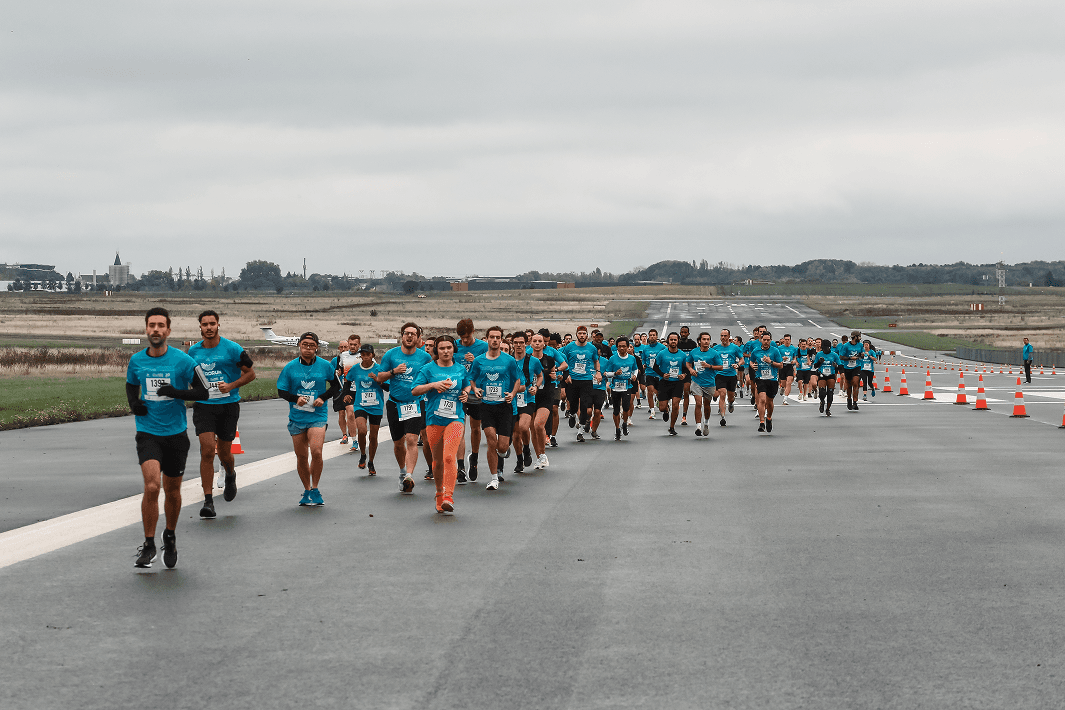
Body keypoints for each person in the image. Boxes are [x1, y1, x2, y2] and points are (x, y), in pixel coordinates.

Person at [126, 307, 209, 570]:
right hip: (148, 432)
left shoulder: (183, 361)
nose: (156, 330)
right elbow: (131, 384)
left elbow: (203, 391)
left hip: (175, 434)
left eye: (161, 325)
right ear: (146, 329)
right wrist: (133, 403)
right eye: (152, 325)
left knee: (172, 490)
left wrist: (176, 392)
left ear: (168, 331)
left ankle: (169, 535)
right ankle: (149, 543)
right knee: (152, 486)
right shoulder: (137, 360)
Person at [187, 310, 256, 519]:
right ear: (199, 327)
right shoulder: (193, 352)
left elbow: (251, 373)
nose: (208, 328)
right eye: (205, 324)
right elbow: (189, 376)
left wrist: (231, 385)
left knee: (225, 453)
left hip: (228, 405)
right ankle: (208, 501)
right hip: (204, 406)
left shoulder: (232, 349)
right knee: (207, 450)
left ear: (218, 325)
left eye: (212, 324)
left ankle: (230, 474)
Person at [276, 332, 340, 506]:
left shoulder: (325, 366)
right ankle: (306, 489)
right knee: (302, 456)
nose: (308, 348)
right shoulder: (290, 367)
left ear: (317, 347)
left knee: (317, 451)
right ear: (299, 346)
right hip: (297, 416)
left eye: (311, 345)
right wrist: (295, 398)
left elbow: (337, 386)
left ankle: (316, 488)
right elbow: (281, 391)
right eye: (305, 345)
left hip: (317, 416)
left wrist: (323, 397)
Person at [412, 336, 471, 514]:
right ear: (436, 350)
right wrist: (432, 385)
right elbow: (415, 390)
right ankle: (439, 493)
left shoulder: (460, 369)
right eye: (442, 348)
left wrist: (466, 394)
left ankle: (448, 496)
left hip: (455, 418)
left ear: (454, 349)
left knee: (448, 457)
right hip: (434, 419)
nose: (446, 351)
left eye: (449, 348)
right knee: (437, 462)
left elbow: (466, 385)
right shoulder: (428, 369)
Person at [378, 323, 433, 494]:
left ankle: (409, 475)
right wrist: (393, 372)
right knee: (398, 443)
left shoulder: (424, 358)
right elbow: (379, 377)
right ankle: (402, 470)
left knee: (411, 440)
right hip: (395, 403)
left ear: (418, 338)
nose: (409, 337)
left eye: (413, 334)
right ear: (402, 336)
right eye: (406, 333)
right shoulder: (391, 354)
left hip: (415, 403)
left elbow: (432, 375)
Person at [469, 326, 522, 490]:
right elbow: (471, 378)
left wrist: (512, 394)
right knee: (491, 440)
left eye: (498, 337)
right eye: (491, 337)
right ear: (487, 339)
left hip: (504, 406)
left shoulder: (509, 360)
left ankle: (503, 451)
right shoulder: (479, 360)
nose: (494, 340)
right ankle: (493, 478)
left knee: (502, 447)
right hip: (486, 406)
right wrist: (476, 389)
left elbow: (517, 380)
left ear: (501, 339)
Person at [454, 318, 489, 483]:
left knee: (475, 429)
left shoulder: (483, 347)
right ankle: (460, 467)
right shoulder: (454, 345)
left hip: (476, 393)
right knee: (459, 429)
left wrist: (475, 360)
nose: (464, 341)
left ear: (473, 332)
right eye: (462, 337)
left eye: (467, 337)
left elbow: (489, 369)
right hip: (459, 392)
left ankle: (473, 457)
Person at [342, 344, 383, 474]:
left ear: (372, 355)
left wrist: (377, 379)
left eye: (368, 354)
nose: (365, 357)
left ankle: (371, 462)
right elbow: (347, 382)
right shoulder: (355, 369)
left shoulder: (379, 369)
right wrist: (346, 394)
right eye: (363, 354)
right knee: (362, 431)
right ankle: (363, 455)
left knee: (374, 436)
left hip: (376, 405)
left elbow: (387, 387)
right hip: (360, 404)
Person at [511, 332, 543, 471]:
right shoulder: (508, 360)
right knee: (515, 433)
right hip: (511, 400)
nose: (518, 345)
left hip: (527, 399)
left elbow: (540, 376)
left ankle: (526, 449)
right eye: (516, 343)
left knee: (524, 427)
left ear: (526, 344)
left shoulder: (533, 361)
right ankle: (519, 459)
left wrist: (536, 387)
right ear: (512, 344)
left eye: (521, 343)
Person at [530, 330, 559, 468]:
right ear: (530, 343)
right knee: (532, 429)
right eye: (534, 341)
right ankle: (538, 456)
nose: (537, 343)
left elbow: (554, 374)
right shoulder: (526, 359)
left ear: (544, 344)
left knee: (538, 425)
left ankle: (543, 454)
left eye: (539, 341)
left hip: (546, 395)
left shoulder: (549, 359)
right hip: (530, 396)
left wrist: (555, 376)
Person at [686, 332, 723, 437]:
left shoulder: (714, 353)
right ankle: (698, 426)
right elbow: (688, 362)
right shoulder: (694, 352)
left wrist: (709, 366)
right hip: (696, 381)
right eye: (704, 339)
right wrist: (690, 369)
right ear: (699, 341)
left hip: (709, 382)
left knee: (707, 405)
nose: (706, 341)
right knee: (698, 403)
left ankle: (706, 423)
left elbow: (721, 367)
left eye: (708, 339)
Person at [652, 332, 688, 435]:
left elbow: (687, 368)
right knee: (662, 407)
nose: (673, 341)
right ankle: (666, 410)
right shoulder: (662, 353)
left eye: (675, 340)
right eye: (671, 339)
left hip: (677, 383)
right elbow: (655, 367)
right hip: (665, 382)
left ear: (678, 341)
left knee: (676, 405)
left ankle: (672, 427)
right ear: (668, 341)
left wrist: (684, 375)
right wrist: (662, 375)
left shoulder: (682, 354)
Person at [603, 336, 639, 439]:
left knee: (626, 408)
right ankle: (617, 429)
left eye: (624, 346)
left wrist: (634, 376)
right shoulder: (612, 358)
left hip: (627, 386)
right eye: (620, 346)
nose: (622, 348)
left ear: (628, 347)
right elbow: (606, 373)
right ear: (616, 347)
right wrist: (614, 373)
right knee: (616, 410)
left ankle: (624, 423)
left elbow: (635, 370)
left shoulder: (632, 358)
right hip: (615, 387)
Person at [751, 331, 783, 433]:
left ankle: (769, 418)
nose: (766, 342)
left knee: (769, 402)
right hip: (760, 379)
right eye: (764, 340)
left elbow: (781, 365)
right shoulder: (755, 351)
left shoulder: (775, 351)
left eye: (768, 340)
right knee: (762, 400)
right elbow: (751, 361)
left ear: (770, 340)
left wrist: (771, 362)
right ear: (760, 340)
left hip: (772, 379)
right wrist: (752, 365)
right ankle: (761, 422)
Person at [715, 329, 744, 426]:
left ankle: (731, 403)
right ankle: (723, 417)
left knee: (730, 397)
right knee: (722, 394)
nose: (723, 338)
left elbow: (742, 360)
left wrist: (738, 365)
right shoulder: (716, 348)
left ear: (729, 337)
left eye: (725, 336)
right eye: (721, 335)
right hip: (720, 375)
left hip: (731, 375)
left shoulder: (734, 348)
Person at [338, 335, 362, 451]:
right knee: (350, 413)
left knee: (361, 416)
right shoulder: (343, 355)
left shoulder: (364, 355)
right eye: (350, 344)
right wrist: (339, 372)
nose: (352, 347)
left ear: (359, 345)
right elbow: (340, 369)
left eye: (355, 345)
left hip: (362, 389)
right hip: (348, 388)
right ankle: (354, 440)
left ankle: (362, 434)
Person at [330, 340, 352, 444]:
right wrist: (335, 375)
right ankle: (344, 435)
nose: (343, 349)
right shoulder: (335, 361)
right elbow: (330, 375)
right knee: (341, 412)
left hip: (351, 390)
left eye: (345, 347)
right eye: (341, 347)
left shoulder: (353, 359)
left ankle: (353, 432)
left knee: (351, 412)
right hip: (339, 390)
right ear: (339, 349)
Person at [813, 339, 842, 416]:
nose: (824, 349)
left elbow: (840, 365)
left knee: (830, 392)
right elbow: (815, 366)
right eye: (823, 348)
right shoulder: (819, 354)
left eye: (826, 348)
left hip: (831, 375)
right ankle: (822, 401)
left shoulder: (834, 355)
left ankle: (828, 409)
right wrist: (819, 362)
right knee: (822, 392)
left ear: (829, 347)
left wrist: (836, 366)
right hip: (822, 374)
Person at [642, 329, 665, 420]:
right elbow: (643, 359)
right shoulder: (645, 348)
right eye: (650, 335)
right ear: (648, 336)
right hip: (649, 372)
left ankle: (660, 400)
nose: (652, 337)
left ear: (657, 336)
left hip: (659, 374)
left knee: (660, 393)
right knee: (650, 391)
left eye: (654, 335)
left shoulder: (662, 347)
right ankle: (652, 411)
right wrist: (644, 364)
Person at [839, 330, 865, 410]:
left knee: (856, 383)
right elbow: (841, 357)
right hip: (847, 367)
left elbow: (862, 355)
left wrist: (861, 355)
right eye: (859, 336)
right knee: (849, 384)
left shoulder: (860, 345)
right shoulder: (846, 346)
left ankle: (855, 402)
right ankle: (849, 399)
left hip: (857, 367)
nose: (860, 338)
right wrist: (850, 358)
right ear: (855, 337)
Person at [677, 326, 697, 425]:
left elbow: (696, 357)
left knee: (686, 392)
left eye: (685, 332)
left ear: (688, 333)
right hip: (676, 372)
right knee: (675, 395)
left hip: (688, 372)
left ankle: (684, 416)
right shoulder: (677, 343)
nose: (683, 334)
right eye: (682, 332)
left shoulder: (692, 344)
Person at [776, 334, 798, 404]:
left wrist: (794, 361)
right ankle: (782, 387)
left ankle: (785, 399)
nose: (787, 341)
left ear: (790, 340)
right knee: (783, 383)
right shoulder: (779, 348)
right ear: (783, 340)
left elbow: (795, 357)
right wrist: (782, 358)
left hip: (789, 366)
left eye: (788, 339)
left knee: (789, 382)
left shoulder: (793, 348)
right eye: (786, 339)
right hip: (782, 366)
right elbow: (777, 358)